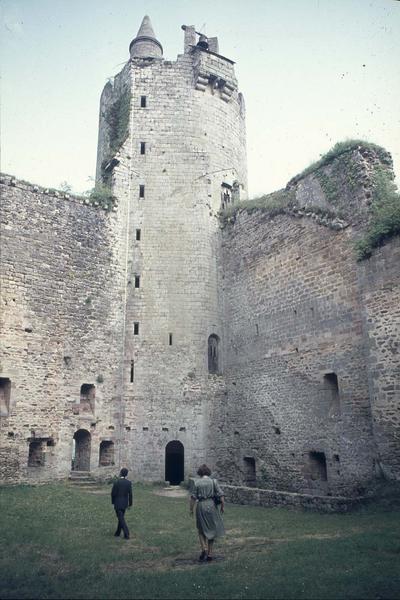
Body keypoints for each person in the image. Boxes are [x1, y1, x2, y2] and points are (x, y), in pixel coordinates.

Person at [190, 464, 225, 562]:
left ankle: (204, 549)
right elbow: (221, 495)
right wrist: (222, 506)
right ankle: (210, 554)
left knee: (201, 529)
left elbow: (193, 498)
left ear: (200, 473)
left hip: (201, 505)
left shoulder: (197, 483)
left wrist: (191, 509)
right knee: (212, 529)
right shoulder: (214, 481)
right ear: (208, 472)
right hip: (211, 505)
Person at [111, 467, 133, 539]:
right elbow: (130, 494)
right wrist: (130, 504)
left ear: (120, 473)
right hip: (124, 503)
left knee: (121, 518)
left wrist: (113, 502)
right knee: (121, 518)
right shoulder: (128, 483)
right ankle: (117, 532)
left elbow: (113, 493)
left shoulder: (117, 482)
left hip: (117, 503)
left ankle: (126, 533)